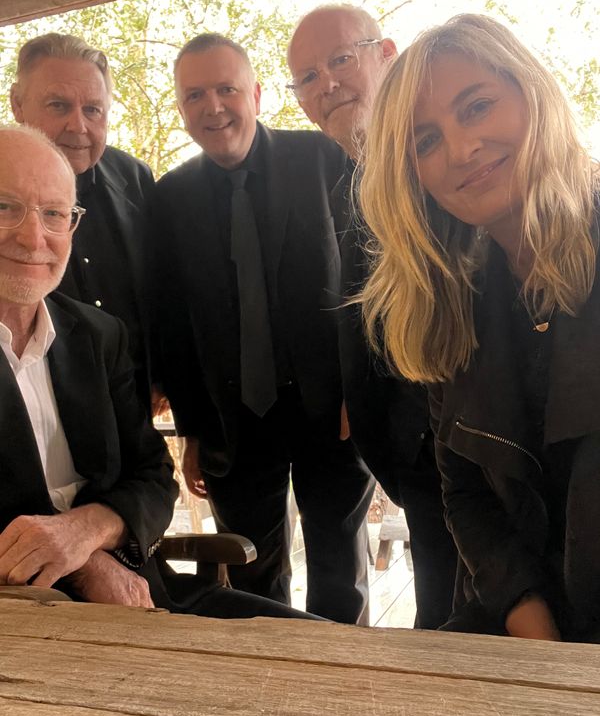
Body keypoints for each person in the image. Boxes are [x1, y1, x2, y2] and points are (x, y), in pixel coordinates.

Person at [0, 122, 317, 621]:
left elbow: (153, 477)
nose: (33, 236)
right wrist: (82, 567)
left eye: (55, 213)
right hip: (25, 621)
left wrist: (87, 532)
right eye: (5, 207)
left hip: (145, 591)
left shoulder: (97, 335)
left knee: (333, 650)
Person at [358, 13, 600, 642]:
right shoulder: (452, 304)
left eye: (478, 107)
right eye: (426, 141)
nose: (461, 149)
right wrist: (536, 637)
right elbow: (465, 493)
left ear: (532, 93)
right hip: (518, 632)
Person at [152, 33, 375, 624]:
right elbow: (175, 323)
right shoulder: (170, 198)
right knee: (252, 577)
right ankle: (271, 673)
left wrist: (361, 391)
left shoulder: (324, 158)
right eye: (195, 95)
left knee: (340, 571)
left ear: (254, 94)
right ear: (182, 107)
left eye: (226, 89)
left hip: (333, 413)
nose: (213, 107)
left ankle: (345, 670)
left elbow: (368, 279)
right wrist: (193, 431)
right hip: (235, 421)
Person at [287, 5, 457, 629]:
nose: (327, 84)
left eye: (340, 59)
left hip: (466, 458)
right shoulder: (352, 182)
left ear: (387, 54)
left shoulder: (436, 160)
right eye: (307, 77)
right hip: (416, 468)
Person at [10, 33, 154, 411]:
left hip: (133, 397)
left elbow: (160, 285)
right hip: (34, 401)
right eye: (58, 105)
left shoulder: (136, 178)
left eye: (93, 109)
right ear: (17, 104)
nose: (79, 125)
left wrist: (163, 376)